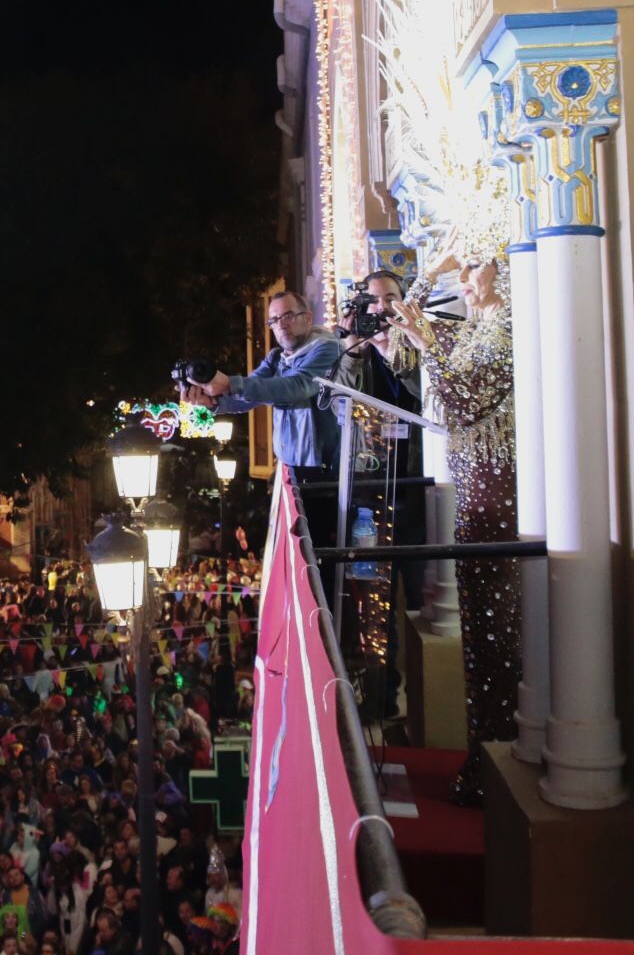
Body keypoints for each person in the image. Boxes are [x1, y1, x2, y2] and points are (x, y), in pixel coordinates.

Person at [387, 246, 519, 804]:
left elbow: (464, 398)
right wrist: (426, 275)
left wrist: (428, 341)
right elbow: (399, 342)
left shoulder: (506, 330)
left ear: (504, 269)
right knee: (480, 630)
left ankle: (500, 752)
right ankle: (481, 752)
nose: (465, 278)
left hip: (500, 494)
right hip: (475, 493)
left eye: (475, 264)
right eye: (460, 267)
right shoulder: (471, 329)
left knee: (500, 630)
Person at [331, 267, 430, 717]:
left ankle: (429, 694)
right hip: (369, 491)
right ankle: (381, 694)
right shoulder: (353, 352)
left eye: (389, 297)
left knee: (422, 587)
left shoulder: (418, 342)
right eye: (371, 300)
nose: (381, 307)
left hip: (415, 488)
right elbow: (338, 405)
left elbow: (423, 390)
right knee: (374, 595)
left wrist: (393, 349)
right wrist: (356, 349)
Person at [186, 291, 344, 549]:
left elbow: (297, 387)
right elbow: (249, 395)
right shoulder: (277, 357)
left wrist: (230, 384)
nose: (281, 325)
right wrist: (211, 399)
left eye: (288, 316)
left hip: (322, 473)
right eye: (274, 320)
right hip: (290, 471)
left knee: (318, 555)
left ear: (308, 317)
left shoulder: (328, 348)